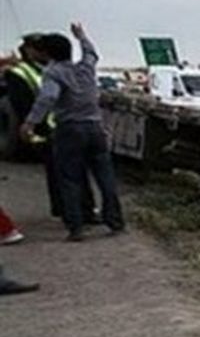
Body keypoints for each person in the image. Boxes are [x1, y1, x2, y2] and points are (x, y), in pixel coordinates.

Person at [20, 23, 124, 241]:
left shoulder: (54, 73)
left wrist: (30, 123)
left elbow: (48, 98)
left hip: (70, 129)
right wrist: (82, 36)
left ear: (47, 53)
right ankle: (115, 220)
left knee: (70, 178)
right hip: (95, 127)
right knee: (105, 177)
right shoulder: (86, 69)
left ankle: (76, 227)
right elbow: (91, 54)